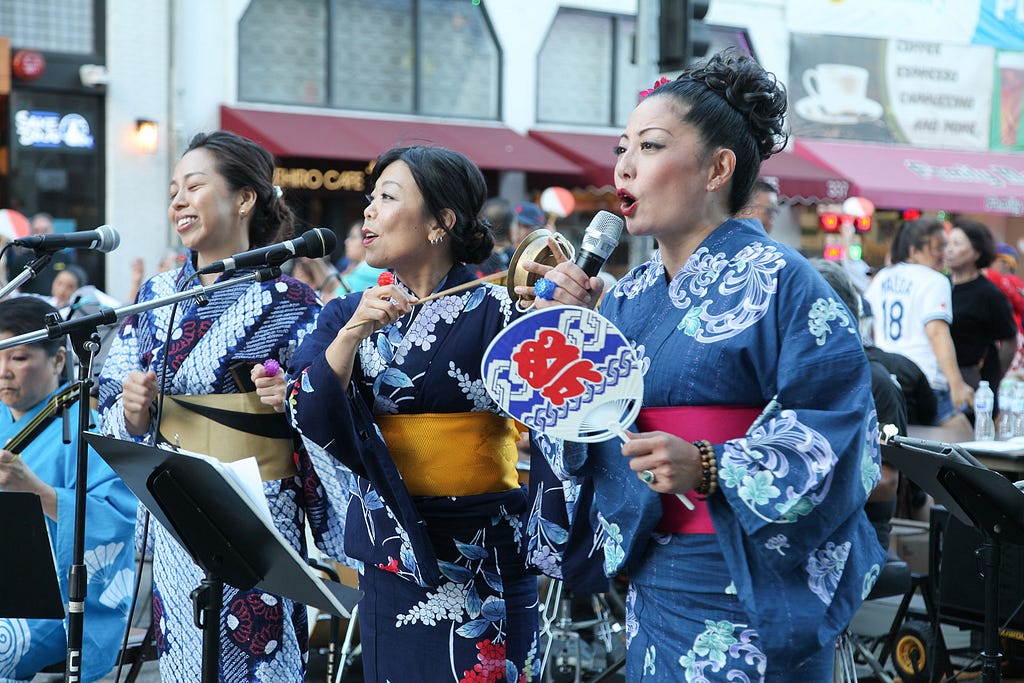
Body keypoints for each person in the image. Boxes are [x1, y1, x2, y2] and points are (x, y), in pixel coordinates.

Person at [524, 50, 886, 680]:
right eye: (621, 148)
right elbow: (591, 429)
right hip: (652, 579)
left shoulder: (789, 283)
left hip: (745, 578)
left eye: (652, 146)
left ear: (720, 167)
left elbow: (839, 428)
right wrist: (574, 342)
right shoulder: (630, 295)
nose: (625, 167)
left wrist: (709, 464)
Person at [287, 145, 579, 683]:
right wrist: (353, 335)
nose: (368, 211)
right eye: (370, 198)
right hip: (390, 550)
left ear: (441, 222)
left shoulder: (501, 309)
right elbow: (308, 410)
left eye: (389, 198)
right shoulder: (344, 315)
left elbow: (560, 410)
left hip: (482, 549)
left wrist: (565, 322)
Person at [97, 131, 325, 682]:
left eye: (194, 186)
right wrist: (131, 409)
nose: (178, 200)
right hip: (177, 505)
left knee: (260, 656)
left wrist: (291, 400)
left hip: (258, 510)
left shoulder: (295, 303)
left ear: (244, 198)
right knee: (181, 657)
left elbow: (326, 412)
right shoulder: (157, 296)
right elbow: (109, 394)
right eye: (173, 190)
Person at [0, 297, 137, 682]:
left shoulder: (88, 425)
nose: (3, 371)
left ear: (59, 360)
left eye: (19, 358)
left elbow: (119, 519)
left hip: (57, 602)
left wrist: (38, 491)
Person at [865, 217, 974, 430]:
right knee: (966, 445)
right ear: (914, 250)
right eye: (937, 248)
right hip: (926, 382)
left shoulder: (881, 277)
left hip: (889, 378)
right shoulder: (935, 280)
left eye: (947, 246)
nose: (944, 253)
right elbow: (937, 333)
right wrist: (956, 383)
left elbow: (869, 324)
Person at [944, 219, 1017, 394]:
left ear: (977, 252)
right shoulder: (940, 285)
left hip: (975, 380)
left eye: (957, 243)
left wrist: (997, 372)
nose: (949, 249)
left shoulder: (989, 293)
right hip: (939, 377)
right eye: (947, 243)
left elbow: (1009, 340)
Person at [5, 213, 76, 296]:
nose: (41, 234)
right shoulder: (20, 259)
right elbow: (14, 289)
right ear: (31, 234)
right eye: (37, 231)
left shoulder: (64, 258)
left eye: (45, 230)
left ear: (52, 231)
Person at [336, 220, 385, 293]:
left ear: (367, 240)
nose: (346, 241)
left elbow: (332, 298)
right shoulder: (358, 268)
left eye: (353, 237)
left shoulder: (368, 270)